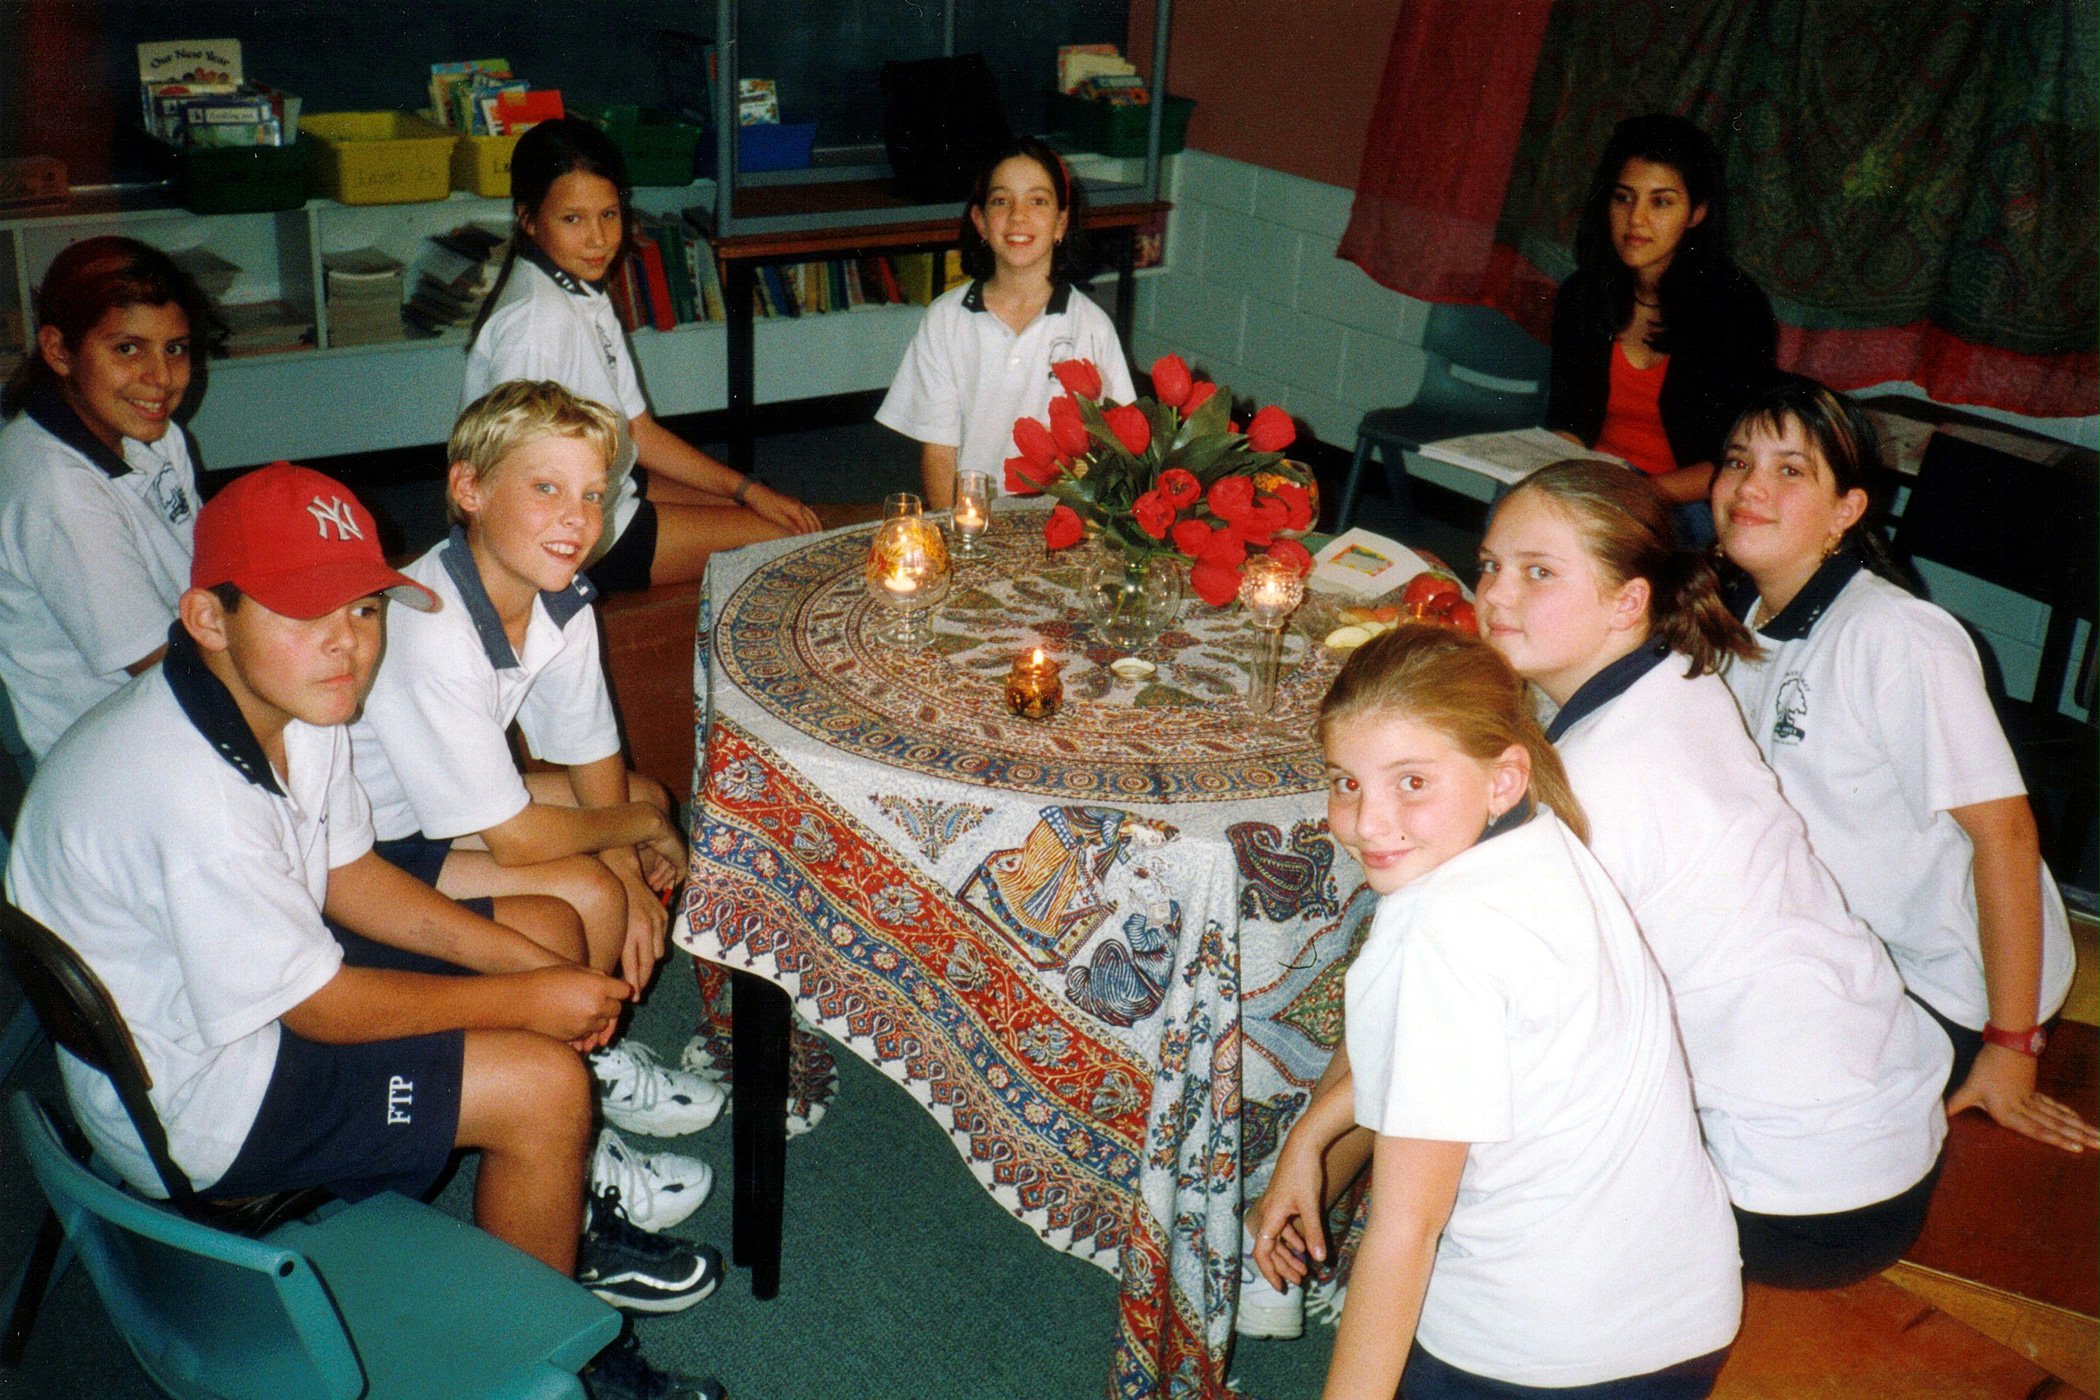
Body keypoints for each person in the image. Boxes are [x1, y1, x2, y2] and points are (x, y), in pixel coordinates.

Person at [4, 462, 723, 1399]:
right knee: (544, 1086)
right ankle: (546, 1353)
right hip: (206, 1095)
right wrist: (526, 1000)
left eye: (364, 609)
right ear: (208, 619)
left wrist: (525, 962)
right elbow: (325, 1011)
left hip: (234, 997)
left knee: (545, 921)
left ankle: (554, 1206)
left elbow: (347, 876)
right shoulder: (194, 803)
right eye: (306, 612)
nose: (347, 645)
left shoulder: (294, 702)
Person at [1477, 459, 1952, 1287]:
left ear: (1629, 601)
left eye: (1538, 572)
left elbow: (1515, 1022)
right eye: (1490, 565)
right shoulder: (1684, 677)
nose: (1495, 594)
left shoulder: (1597, 782)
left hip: (1794, 1206)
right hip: (1890, 1143)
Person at [1251, 625, 1740, 1398]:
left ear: (1503, 778)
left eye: (1412, 782)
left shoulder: (1441, 935)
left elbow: (1406, 1235)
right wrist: (1312, 1134)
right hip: (1682, 1318)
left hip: (1545, 1357)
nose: (1369, 822)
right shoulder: (1544, 843)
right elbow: (1452, 1057)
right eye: (1346, 782)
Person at [350, 380, 726, 1230]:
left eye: (593, 494)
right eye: (546, 488)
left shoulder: (555, 590)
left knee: (639, 797)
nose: (577, 518)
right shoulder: (433, 626)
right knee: (586, 890)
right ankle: (566, 1116)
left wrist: (632, 855)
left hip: (434, 808)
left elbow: (595, 750)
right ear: (469, 489)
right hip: (371, 849)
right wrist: (626, 850)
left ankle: (587, 1057)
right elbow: (519, 840)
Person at [1714, 375, 2096, 1154]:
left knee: (1747, 1134)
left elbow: (2009, 838)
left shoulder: (1897, 638)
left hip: (1951, 979)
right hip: (1831, 945)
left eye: (1791, 470)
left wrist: (2009, 1045)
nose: (1751, 486)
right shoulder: (1744, 622)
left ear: (1847, 512)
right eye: (1738, 461)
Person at [464, 116, 820, 592]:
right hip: (575, 533)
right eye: (572, 219)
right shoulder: (537, 323)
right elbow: (513, 482)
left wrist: (747, 489)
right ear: (528, 220)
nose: (598, 239)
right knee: (797, 540)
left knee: (780, 511)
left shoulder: (579, 287)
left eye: (608, 215)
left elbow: (638, 431)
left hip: (605, 488)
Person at [0, 236, 208, 763]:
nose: (160, 378)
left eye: (175, 348)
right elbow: (156, 663)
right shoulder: (55, 488)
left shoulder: (155, 434)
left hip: (184, 666)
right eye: (127, 349)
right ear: (59, 351)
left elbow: (206, 562)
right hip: (110, 742)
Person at [1546, 113, 1776, 546]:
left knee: (1606, 550)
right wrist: (1562, 473)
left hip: (1684, 500)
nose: (1636, 220)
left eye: (1661, 202)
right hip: (1598, 482)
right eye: (1623, 198)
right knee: (1514, 514)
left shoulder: (1736, 310)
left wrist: (1637, 494)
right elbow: (1567, 420)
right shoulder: (1582, 294)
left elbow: (1732, 461)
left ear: (1697, 213)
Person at [876, 136, 1135, 509]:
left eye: (1038, 201)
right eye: (1001, 201)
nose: (1018, 216)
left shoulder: (1091, 327)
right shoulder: (946, 320)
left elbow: (1117, 445)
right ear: (980, 221)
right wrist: (952, 531)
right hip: (972, 516)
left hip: (1060, 519)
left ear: (1062, 223)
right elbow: (938, 450)